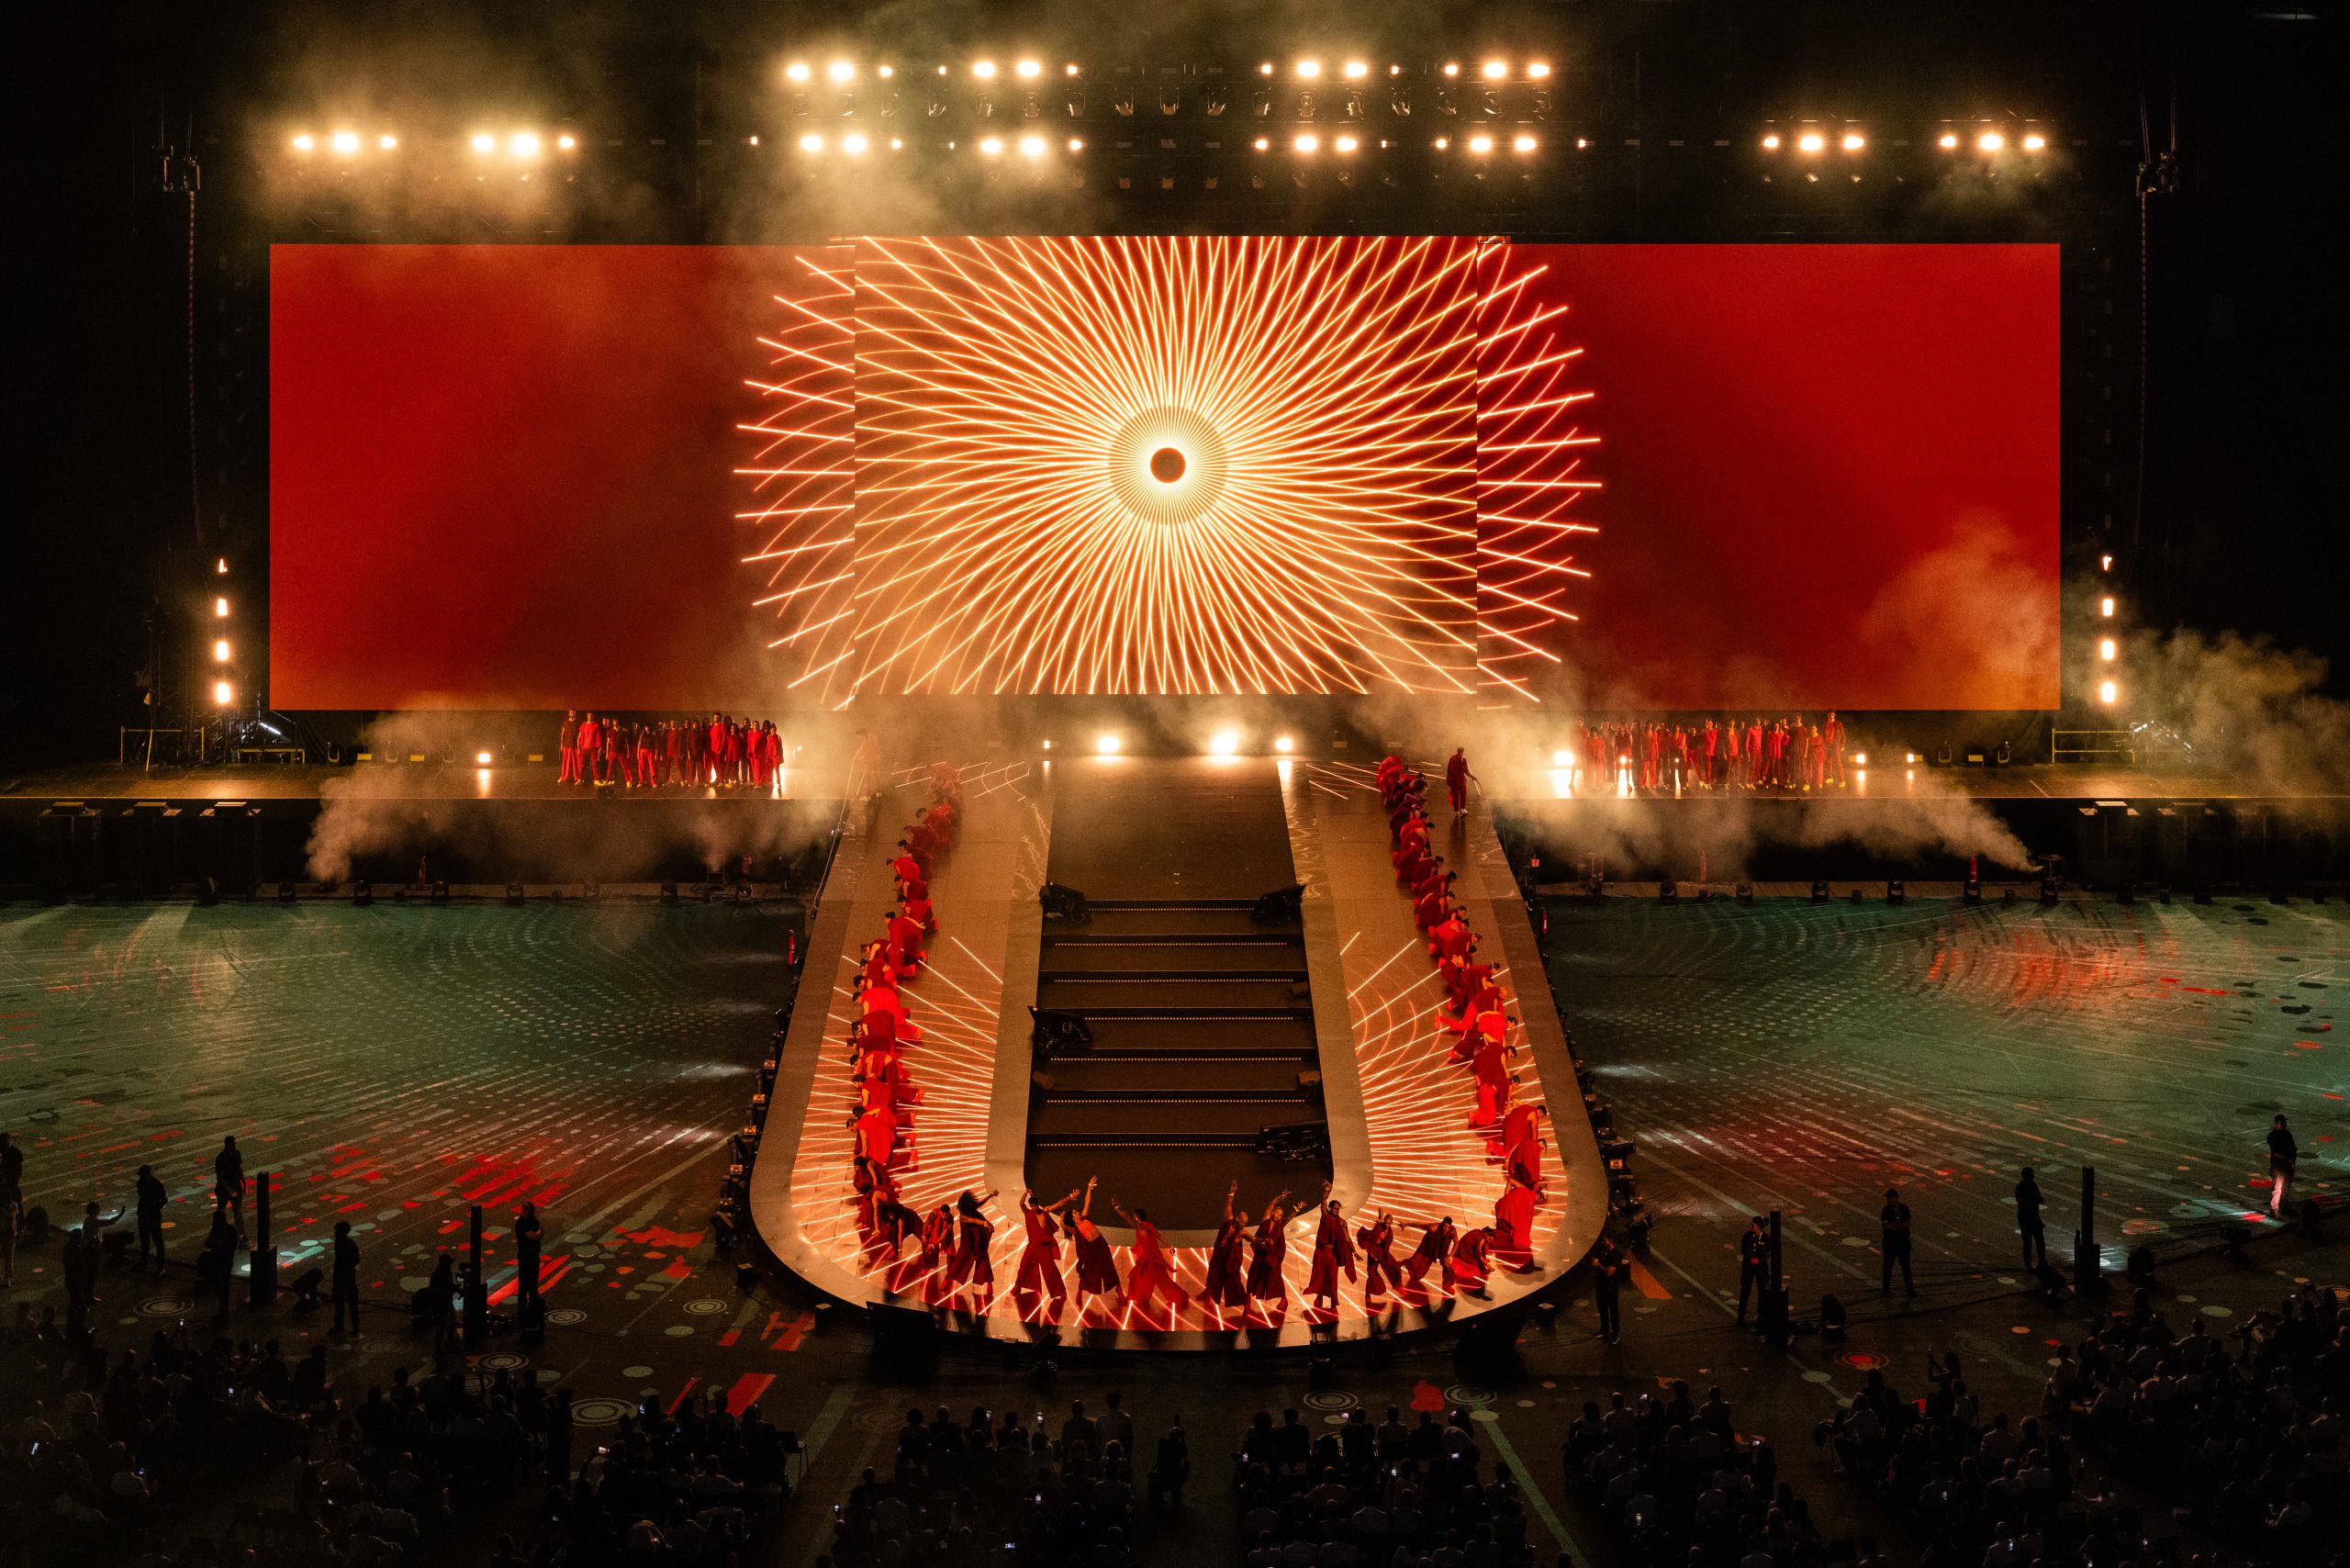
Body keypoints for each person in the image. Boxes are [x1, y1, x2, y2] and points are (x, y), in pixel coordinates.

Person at [1304, 1185, 1356, 1314]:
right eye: (1334, 1208)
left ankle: (1333, 1303)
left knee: (1332, 1278)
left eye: (1338, 1209)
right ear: (1330, 1208)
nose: (1336, 1211)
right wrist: (1327, 1190)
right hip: (1322, 1252)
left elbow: (1347, 1239)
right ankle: (1319, 1297)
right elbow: (1323, 1202)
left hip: (1333, 1253)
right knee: (1320, 1276)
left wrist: (1354, 1252)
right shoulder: (1325, 1215)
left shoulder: (1342, 1222)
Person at [1590, 1233, 1625, 1343]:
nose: (1603, 1242)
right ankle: (1604, 1329)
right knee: (1602, 1308)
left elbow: (1609, 1272)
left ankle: (1615, 1333)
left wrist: (1599, 1265)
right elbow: (1593, 1262)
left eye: (1604, 1240)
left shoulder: (1616, 1255)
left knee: (1613, 1310)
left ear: (1610, 1241)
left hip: (1611, 1286)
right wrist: (1599, 1265)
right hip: (1600, 1284)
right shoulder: (1602, 1249)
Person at [1880, 1186, 1915, 1295]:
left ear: (1894, 1198)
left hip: (1901, 1242)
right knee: (1888, 1266)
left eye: (1889, 1198)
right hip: (1891, 1243)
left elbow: (1908, 1221)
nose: (1888, 1200)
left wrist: (1899, 1227)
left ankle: (1909, 1288)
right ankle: (1886, 1289)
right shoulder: (1886, 1210)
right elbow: (1885, 1224)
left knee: (1905, 1266)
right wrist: (1898, 1228)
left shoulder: (1903, 1208)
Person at [513, 1199, 545, 1316]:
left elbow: (540, 1232)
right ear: (526, 1210)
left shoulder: (532, 1219)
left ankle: (533, 1306)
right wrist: (539, 1232)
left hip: (534, 1255)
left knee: (533, 1283)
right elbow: (535, 1236)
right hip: (525, 1257)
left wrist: (538, 1232)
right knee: (524, 1284)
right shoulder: (521, 1223)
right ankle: (522, 1309)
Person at [1736, 1215, 1770, 1327]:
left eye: (1753, 1224)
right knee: (1745, 1291)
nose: (1751, 1226)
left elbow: (1769, 1251)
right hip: (1748, 1267)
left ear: (1758, 1226)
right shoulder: (1747, 1235)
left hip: (1760, 1268)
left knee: (1762, 1292)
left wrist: (1760, 1257)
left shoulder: (1765, 1238)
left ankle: (1761, 1316)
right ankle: (1740, 1315)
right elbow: (1743, 1249)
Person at [331, 1219, 363, 1336]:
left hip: (345, 1277)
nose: (335, 1234)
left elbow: (355, 1260)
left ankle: (350, 1327)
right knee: (344, 1304)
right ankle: (345, 1326)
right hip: (345, 1276)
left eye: (337, 1232)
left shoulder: (347, 1244)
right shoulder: (342, 1243)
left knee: (346, 1304)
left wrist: (346, 1267)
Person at [134, 1163, 168, 1270]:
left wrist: (155, 1208)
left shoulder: (156, 1184)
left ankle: (160, 1265)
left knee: (157, 1240)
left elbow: (164, 1199)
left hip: (152, 1215)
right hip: (144, 1214)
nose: (140, 1177)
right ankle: (145, 1261)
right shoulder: (141, 1183)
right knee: (144, 1240)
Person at [214, 1134, 246, 1237]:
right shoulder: (221, 1158)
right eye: (233, 1144)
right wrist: (230, 1189)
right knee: (221, 1212)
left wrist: (244, 1182)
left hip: (235, 1186)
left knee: (238, 1212)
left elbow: (240, 1169)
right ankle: (218, 1233)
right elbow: (220, 1178)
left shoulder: (237, 1154)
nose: (234, 1146)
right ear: (227, 1145)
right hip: (224, 1189)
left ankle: (241, 1234)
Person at [2014, 1168, 2046, 1269]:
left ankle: (2032, 1262)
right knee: (2034, 1240)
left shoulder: (2025, 1186)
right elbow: (2028, 1202)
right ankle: (2034, 1262)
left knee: (2032, 1241)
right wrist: (2035, 1201)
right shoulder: (2026, 1187)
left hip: (2027, 1216)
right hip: (2029, 1216)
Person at [2268, 1114, 2299, 1216]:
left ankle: (2283, 1207)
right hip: (2279, 1166)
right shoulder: (2273, 1136)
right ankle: (2274, 1209)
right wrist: (2290, 1160)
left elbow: (2293, 1148)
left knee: (2285, 1188)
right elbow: (2277, 1152)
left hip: (2287, 1166)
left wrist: (2292, 1161)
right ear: (2278, 1123)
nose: (2285, 1124)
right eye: (2283, 1122)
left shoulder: (2286, 1133)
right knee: (2278, 1189)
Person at [1444, 747, 1476, 816]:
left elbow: (1449, 769)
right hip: (1460, 780)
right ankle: (1462, 808)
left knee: (1456, 795)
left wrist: (1449, 779)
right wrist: (1472, 777)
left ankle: (1456, 811)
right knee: (1463, 794)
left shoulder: (1452, 758)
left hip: (1454, 780)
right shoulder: (1463, 759)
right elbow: (1465, 771)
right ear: (1462, 752)